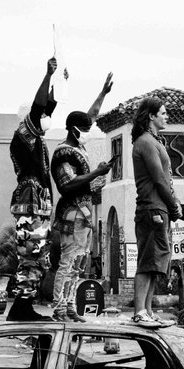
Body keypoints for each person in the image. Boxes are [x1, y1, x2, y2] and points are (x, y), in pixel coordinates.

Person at [48, 72, 115, 320]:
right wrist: (97, 172)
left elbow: (91, 115)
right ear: (74, 130)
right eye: (85, 129)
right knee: (67, 263)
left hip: (82, 215)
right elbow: (67, 184)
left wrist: (103, 93)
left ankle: (69, 307)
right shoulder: (64, 153)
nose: (89, 131)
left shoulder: (77, 146)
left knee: (77, 265)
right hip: (72, 213)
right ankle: (58, 309)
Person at [7, 57, 59, 320]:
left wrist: (58, 82)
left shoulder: (37, 139)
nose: (47, 119)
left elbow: (47, 105)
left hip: (37, 206)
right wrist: (47, 75)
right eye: (41, 117)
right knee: (30, 255)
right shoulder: (23, 136)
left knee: (37, 258)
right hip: (30, 207)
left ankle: (24, 305)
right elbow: (40, 107)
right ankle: (21, 307)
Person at [130, 96, 181, 327]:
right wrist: (173, 205)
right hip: (152, 209)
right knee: (147, 262)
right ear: (151, 116)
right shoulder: (146, 142)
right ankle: (140, 310)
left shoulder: (153, 141)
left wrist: (172, 204)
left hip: (158, 208)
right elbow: (159, 179)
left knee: (155, 263)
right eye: (162, 113)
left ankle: (148, 310)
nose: (166, 116)